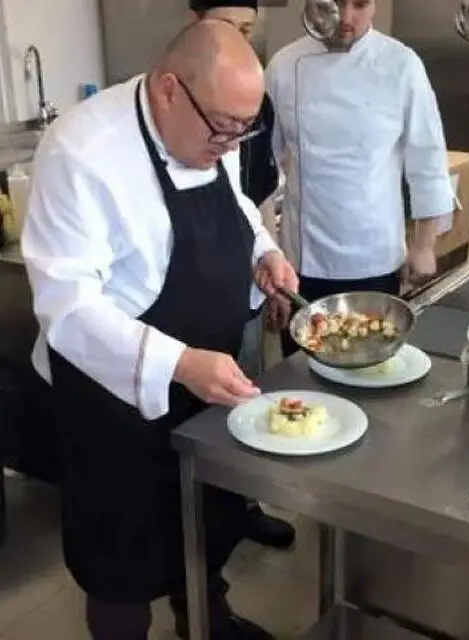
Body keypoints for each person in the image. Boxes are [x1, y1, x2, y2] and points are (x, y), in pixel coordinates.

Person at [22, 20, 298, 640]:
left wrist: (264, 253)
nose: (232, 145)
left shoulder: (212, 129)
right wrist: (179, 363)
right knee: (122, 556)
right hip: (112, 397)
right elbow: (67, 305)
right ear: (170, 89)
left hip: (206, 378)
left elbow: (239, 205)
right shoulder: (81, 150)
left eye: (244, 129)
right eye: (223, 128)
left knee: (204, 520)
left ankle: (207, 621)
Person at [265, 0, 455, 348]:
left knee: (371, 363)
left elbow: (427, 158)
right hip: (301, 260)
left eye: (360, 4)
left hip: (375, 256)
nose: (346, 18)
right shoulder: (283, 65)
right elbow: (262, 168)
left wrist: (424, 245)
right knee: (301, 369)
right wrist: (268, 252)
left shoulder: (401, 64)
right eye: (335, 3)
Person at [190, 0, 296, 551]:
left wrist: (269, 255)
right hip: (192, 300)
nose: (238, 38)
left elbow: (254, 197)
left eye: (247, 29)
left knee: (248, 396)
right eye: (225, 26)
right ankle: (205, 525)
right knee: (202, 422)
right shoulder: (184, 103)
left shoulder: (256, 103)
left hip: (247, 275)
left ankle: (245, 506)